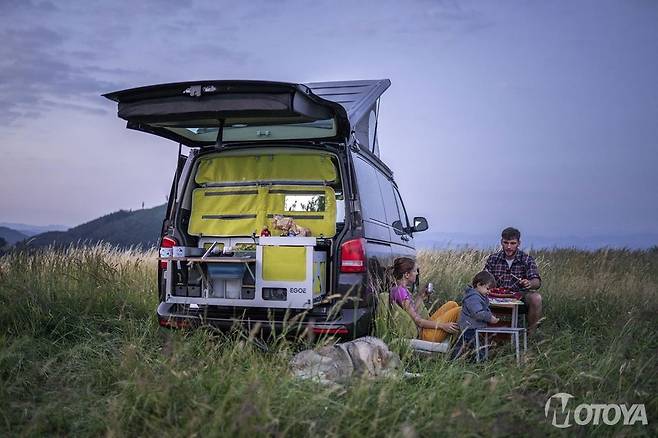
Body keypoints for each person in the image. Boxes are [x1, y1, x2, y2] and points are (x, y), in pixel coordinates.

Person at [485, 227, 542, 333]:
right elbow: (484, 279)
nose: (509, 247)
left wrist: (529, 283)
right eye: (506, 243)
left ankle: (531, 335)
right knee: (474, 294)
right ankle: (479, 333)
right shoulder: (493, 259)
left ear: (518, 243)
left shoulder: (526, 259)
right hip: (496, 296)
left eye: (513, 243)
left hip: (519, 297)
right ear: (501, 242)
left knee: (536, 298)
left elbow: (536, 281)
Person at [389, 257, 460, 342]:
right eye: (415, 271)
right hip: (424, 334)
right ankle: (462, 342)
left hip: (424, 329)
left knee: (452, 304)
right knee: (459, 310)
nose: (417, 273)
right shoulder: (400, 291)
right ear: (407, 275)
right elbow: (418, 321)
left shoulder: (400, 289)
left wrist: (421, 296)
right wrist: (443, 326)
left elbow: (411, 313)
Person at [450, 271, 499, 360]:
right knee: (468, 344)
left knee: (470, 344)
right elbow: (477, 313)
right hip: (469, 326)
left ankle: (467, 359)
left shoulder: (479, 296)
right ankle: (455, 359)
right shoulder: (473, 298)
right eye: (487, 288)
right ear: (479, 285)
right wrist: (489, 317)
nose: (489, 292)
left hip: (473, 326)